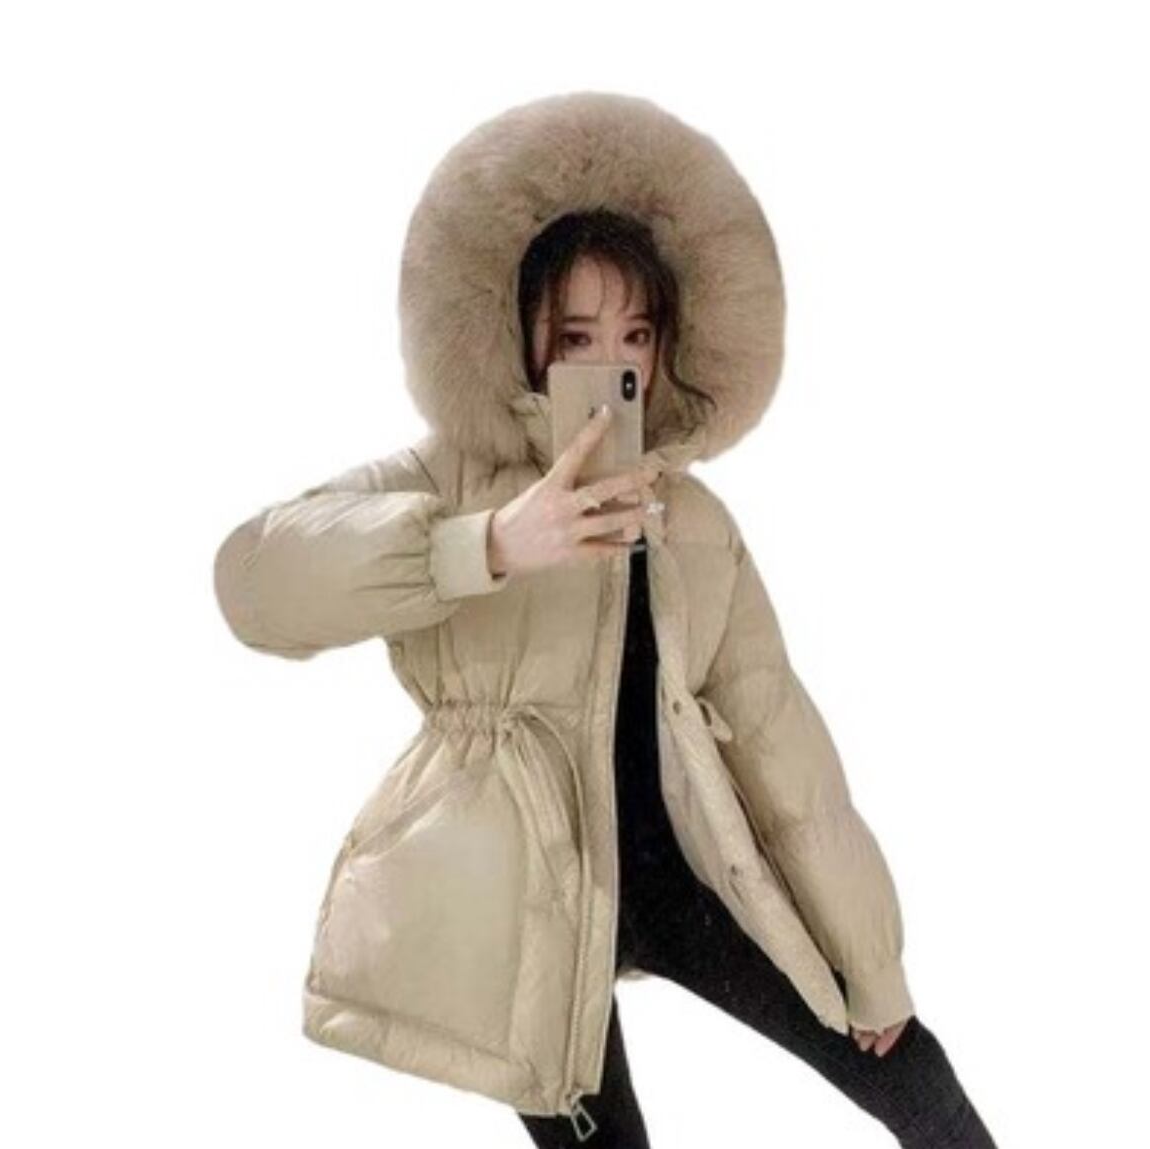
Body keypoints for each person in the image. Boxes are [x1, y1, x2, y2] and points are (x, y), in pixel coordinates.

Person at [213, 93, 999, 1147]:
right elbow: (253, 581)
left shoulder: (692, 521)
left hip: (686, 882)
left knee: (910, 1070)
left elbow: (785, 750)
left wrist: (873, 962)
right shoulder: (446, 482)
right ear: (521, 335)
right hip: (525, 905)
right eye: (576, 335)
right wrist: (490, 544)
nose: (612, 362)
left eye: (636, 333)